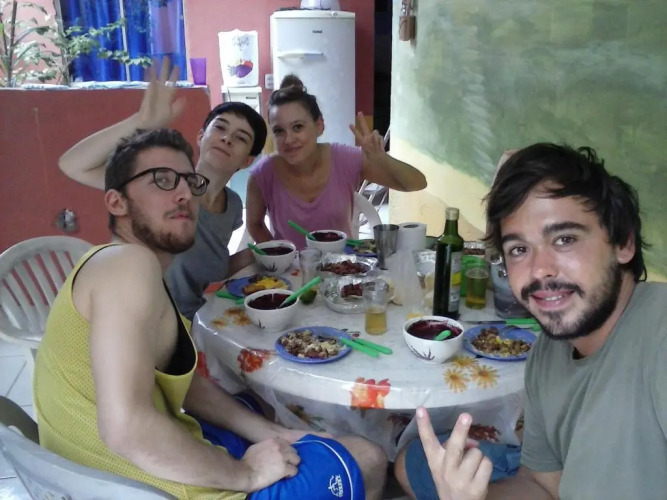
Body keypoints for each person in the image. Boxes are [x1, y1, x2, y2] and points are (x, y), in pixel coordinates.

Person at [34, 128, 388, 499]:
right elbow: (126, 429)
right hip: (142, 487)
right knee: (368, 458)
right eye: (162, 180)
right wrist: (246, 473)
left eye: (190, 182)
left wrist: (276, 434)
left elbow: (187, 386)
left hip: (107, 476)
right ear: (117, 202)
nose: (185, 194)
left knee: (261, 408)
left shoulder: (121, 268)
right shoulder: (128, 265)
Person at [394, 143, 667, 499]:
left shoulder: (658, 333)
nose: (539, 270)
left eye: (564, 239)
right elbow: (542, 484)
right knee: (414, 460)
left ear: (623, 243)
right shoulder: (547, 356)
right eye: (519, 249)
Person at [59, 58, 266, 319]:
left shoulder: (232, 207)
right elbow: (73, 165)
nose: (226, 138)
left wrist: (261, 252)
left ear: (247, 161)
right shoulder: (160, 183)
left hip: (191, 320)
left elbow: (206, 268)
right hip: (142, 321)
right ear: (201, 136)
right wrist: (140, 122)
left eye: (240, 138)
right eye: (220, 128)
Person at [246, 74, 427, 248]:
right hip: (290, 270)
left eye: (298, 127)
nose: (289, 139)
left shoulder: (344, 159)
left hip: (344, 265)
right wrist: (279, 256)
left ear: (319, 126)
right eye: (279, 131)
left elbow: (417, 183)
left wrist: (382, 159)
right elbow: (254, 224)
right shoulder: (263, 174)